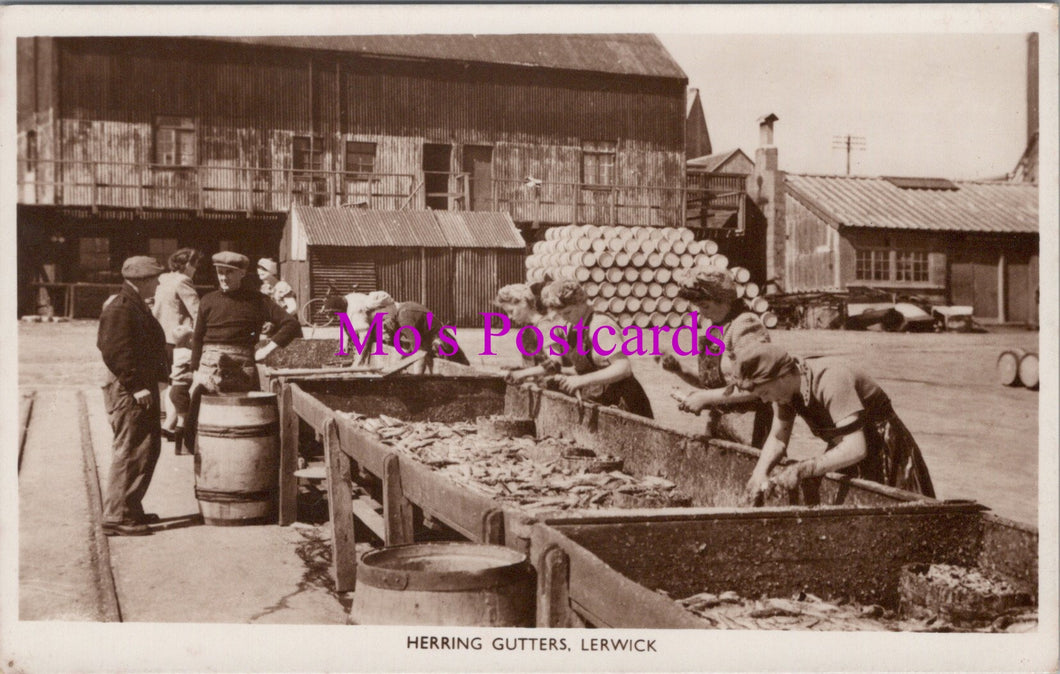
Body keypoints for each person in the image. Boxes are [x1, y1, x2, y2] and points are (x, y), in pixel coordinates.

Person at [734, 341, 936, 504]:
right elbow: (778, 438)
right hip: (845, 447)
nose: (765, 400)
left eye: (765, 393)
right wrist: (758, 475)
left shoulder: (830, 379)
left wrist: (803, 468)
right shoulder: (786, 393)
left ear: (783, 377)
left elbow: (857, 448)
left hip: (885, 449)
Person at [183, 252, 302, 452]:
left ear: (242, 274)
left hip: (242, 370)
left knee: (241, 426)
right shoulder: (208, 300)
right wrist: (194, 370)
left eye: (229, 273)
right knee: (202, 420)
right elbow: (197, 337)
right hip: (208, 368)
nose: (223, 277)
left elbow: (291, 324)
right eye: (220, 272)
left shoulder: (258, 300)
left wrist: (267, 350)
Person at [97, 256, 169, 536]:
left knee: (145, 448)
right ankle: (118, 515)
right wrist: (136, 385)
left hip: (140, 386)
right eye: (154, 278)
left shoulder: (134, 305)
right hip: (131, 389)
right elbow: (113, 350)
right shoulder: (121, 308)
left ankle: (129, 505)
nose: (158, 282)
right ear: (141, 280)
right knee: (131, 449)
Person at [662, 266, 773, 445]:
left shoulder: (745, 326)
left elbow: (757, 387)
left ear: (723, 300)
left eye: (705, 306)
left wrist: (704, 398)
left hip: (750, 426)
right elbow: (714, 382)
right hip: (721, 424)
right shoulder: (716, 329)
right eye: (699, 307)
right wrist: (679, 369)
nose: (701, 312)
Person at [540, 279, 654, 419]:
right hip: (600, 400)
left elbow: (623, 368)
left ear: (580, 303)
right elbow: (588, 368)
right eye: (561, 314)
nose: (565, 319)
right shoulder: (574, 327)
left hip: (624, 403)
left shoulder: (600, 326)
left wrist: (581, 380)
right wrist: (563, 373)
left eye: (568, 313)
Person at [365, 291, 471, 369]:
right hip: (429, 346)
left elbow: (419, 353)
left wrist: (415, 380)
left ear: (386, 307)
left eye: (382, 317)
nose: (383, 321)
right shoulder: (397, 313)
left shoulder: (405, 316)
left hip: (445, 350)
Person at [153, 248, 202, 365]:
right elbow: (197, 312)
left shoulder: (162, 278)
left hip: (159, 336)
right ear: (189, 265)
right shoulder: (183, 280)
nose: (195, 270)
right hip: (178, 339)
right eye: (195, 266)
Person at [162, 324, 194, 454]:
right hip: (181, 390)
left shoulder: (174, 351)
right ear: (188, 340)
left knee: (180, 417)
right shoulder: (188, 353)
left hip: (174, 389)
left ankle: (178, 446)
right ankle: (181, 448)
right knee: (183, 419)